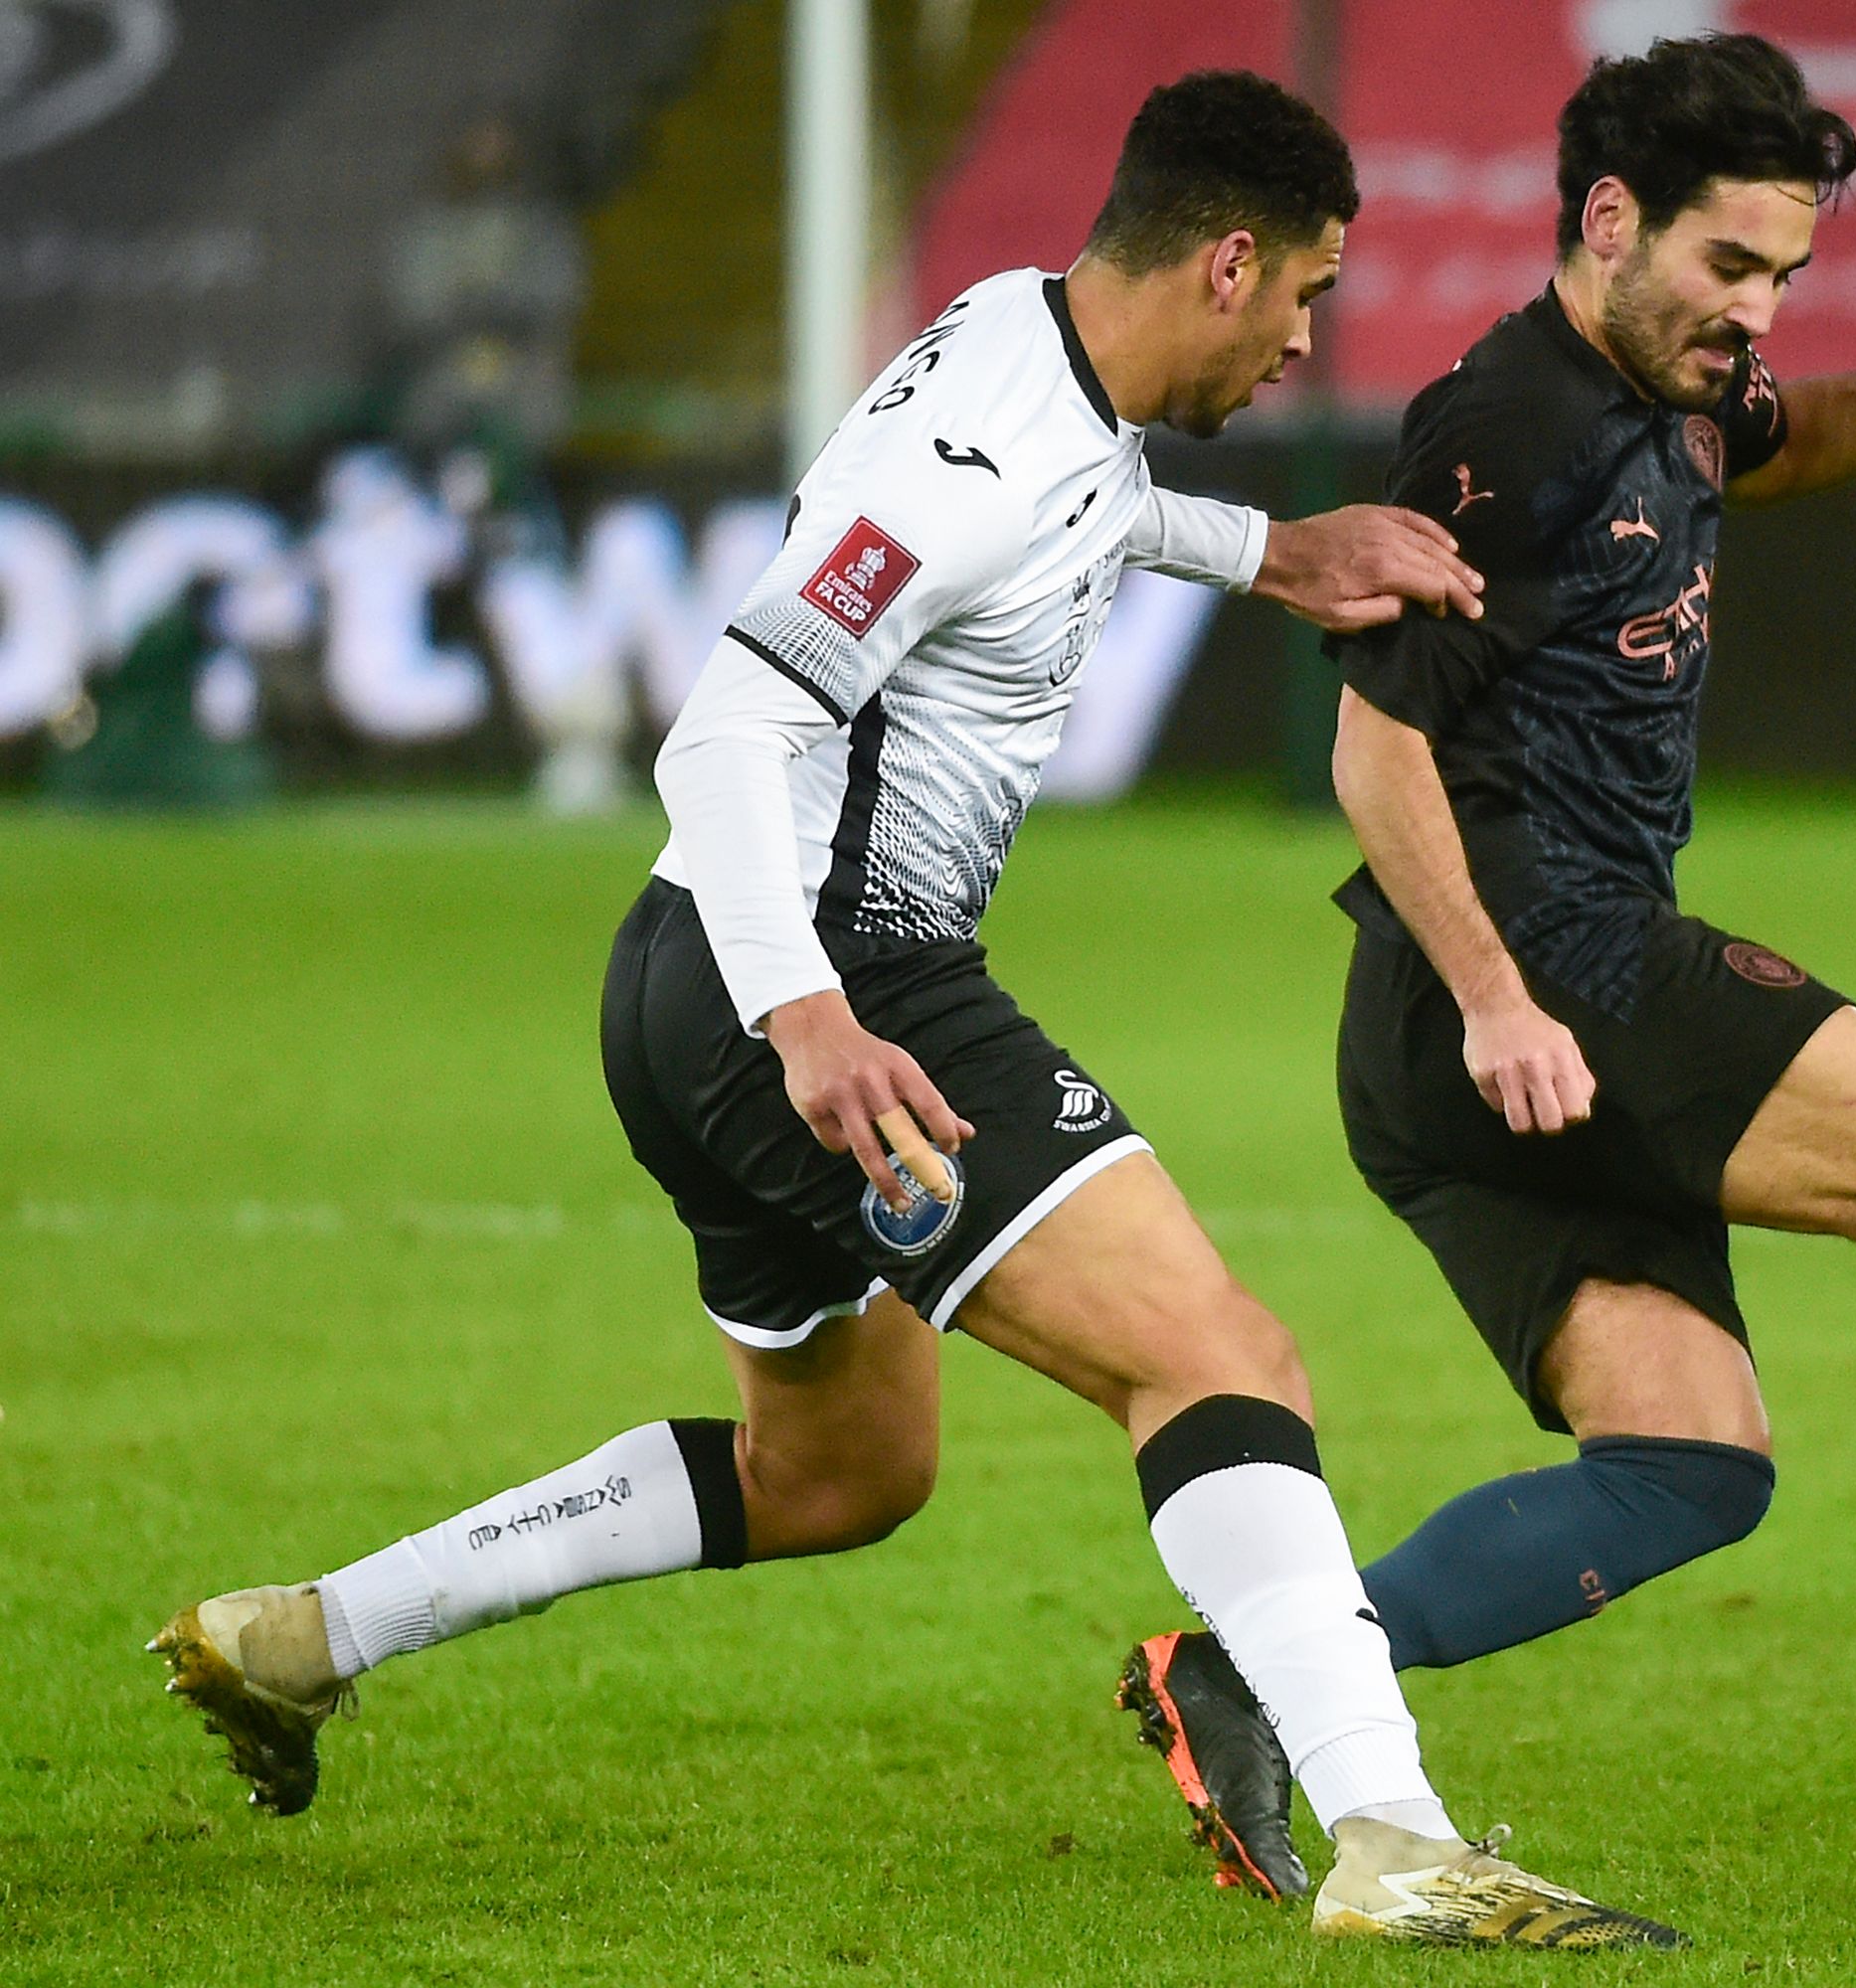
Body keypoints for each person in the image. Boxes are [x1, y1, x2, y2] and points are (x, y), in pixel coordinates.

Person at [146, 70, 1679, 1953]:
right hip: (822, 983)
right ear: (1223, 261)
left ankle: (315, 1634)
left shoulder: (1031, 341)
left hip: (689, 982)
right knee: (1219, 1358)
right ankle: (1395, 1837)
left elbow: (1082, 502)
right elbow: (727, 723)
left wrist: (1268, 551)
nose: (1302, 340)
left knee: (841, 1471)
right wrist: (810, 1023)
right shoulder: (963, 450)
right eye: (1299, 296)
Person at [1129, 33, 1856, 1867]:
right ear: (1611, 221)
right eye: (1732, 267)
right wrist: (1499, 997)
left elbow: (1779, 446)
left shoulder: (1672, 384)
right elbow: (1371, 741)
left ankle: (1248, 1672)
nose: (1758, 312)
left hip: (1449, 1033)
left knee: (1692, 1466)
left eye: (1787, 275)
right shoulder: (1508, 426)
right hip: (1535, 967)